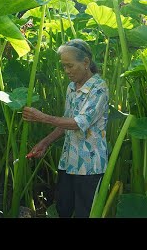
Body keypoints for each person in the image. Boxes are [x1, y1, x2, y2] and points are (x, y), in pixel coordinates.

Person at [22, 39, 109, 218]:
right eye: (63, 66)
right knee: (63, 209)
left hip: (89, 165)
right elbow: (65, 122)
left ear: (85, 63)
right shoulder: (72, 87)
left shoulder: (99, 88)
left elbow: (78, 122)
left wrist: (42, 117)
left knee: (86, 213)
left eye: (70, 66)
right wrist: (45, 143)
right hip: (69, 161)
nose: (66, 71)